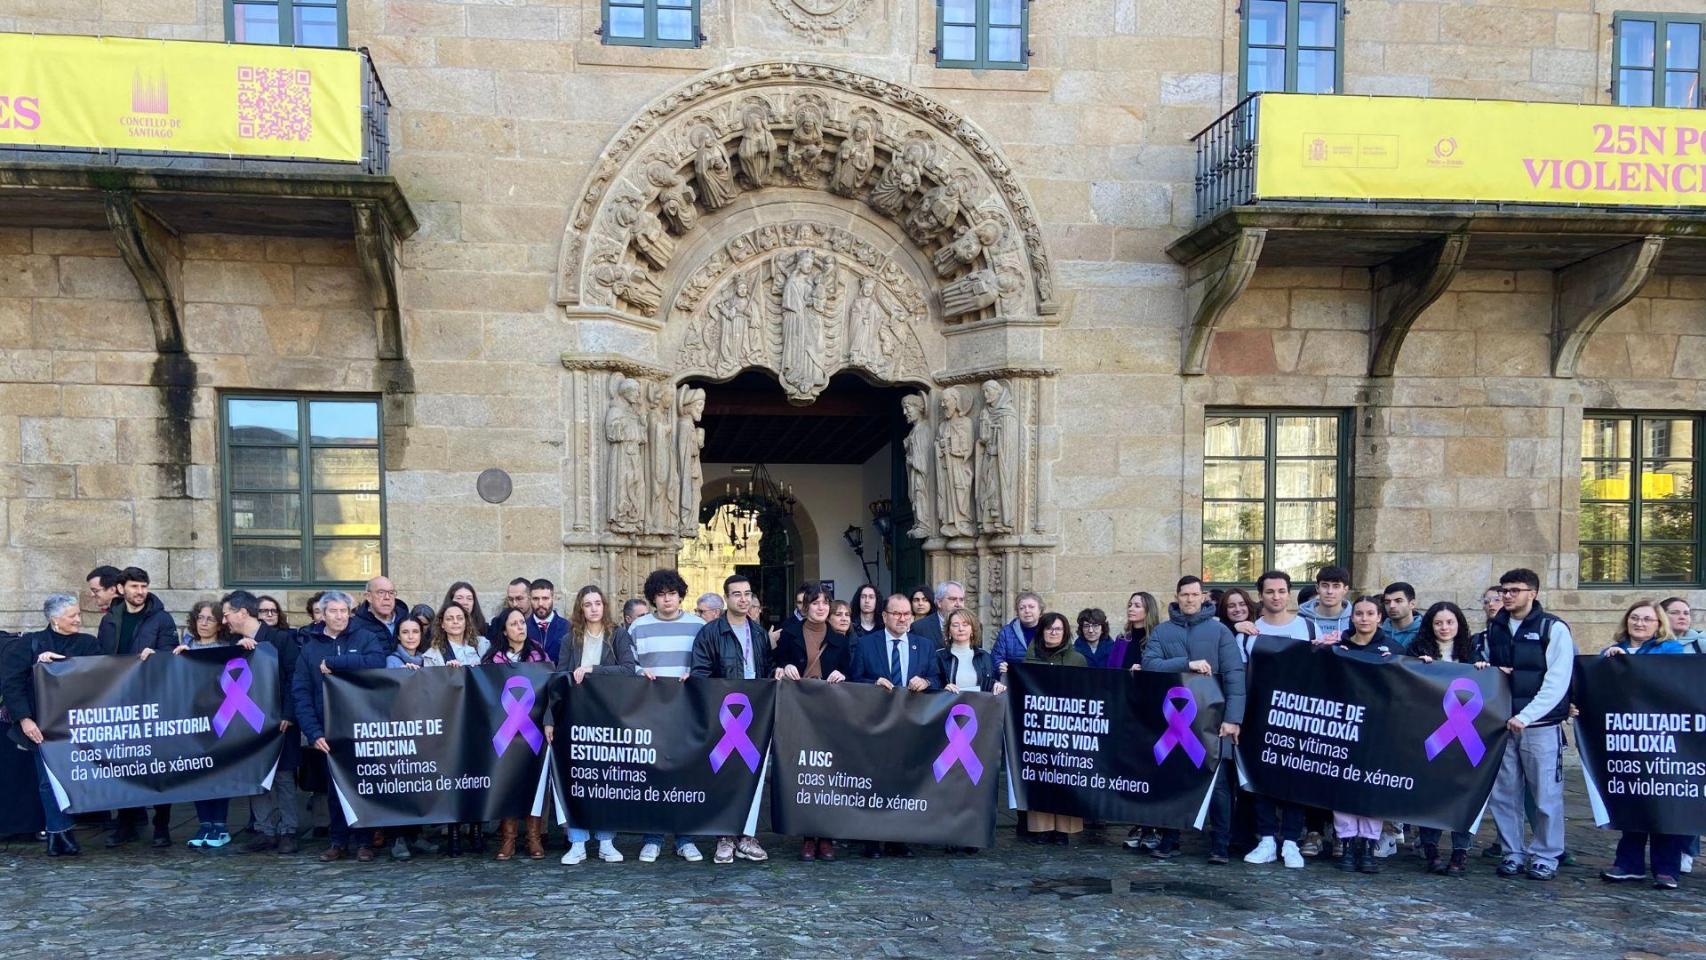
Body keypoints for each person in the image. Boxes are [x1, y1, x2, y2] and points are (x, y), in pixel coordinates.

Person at [1144, 576, 1243, 864]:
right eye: (1184, 594)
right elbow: (1151, 665)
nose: (1189, 599)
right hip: (1174, 723)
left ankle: (1220, 845)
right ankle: (1170, 839)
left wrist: (1233, 718)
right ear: (1177, 596)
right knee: (1173, 781)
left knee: (1220, 786)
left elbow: (1235, 676)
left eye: (1194, 594)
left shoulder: (1220, 632)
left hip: (1212, 720)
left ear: (1203, 597)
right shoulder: (1162, 632)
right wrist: (1186, 664)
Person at [1483, 567, 1574, 882]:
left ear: (1532, 593)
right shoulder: (1495, 627)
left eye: (1514, 590)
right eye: (1504, 590)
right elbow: (1496, 671)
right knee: (1504, 795)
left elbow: (1557, 680)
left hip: (1539, 726)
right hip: (1502, 724)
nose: (1507, 596)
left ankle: (1546, 855)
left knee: (1545, 794)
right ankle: (1513, 853)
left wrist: (1528, 715)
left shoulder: (1553, 628)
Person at [2, 594, 104, 856]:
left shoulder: (88, 644)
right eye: (73, 616)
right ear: (54, 619)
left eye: (78, 614)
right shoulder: (29, 644)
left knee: (75, 778)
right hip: (41, 723)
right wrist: (24, 719)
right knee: (48, 780)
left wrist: (62, 664)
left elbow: (101, 674)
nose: (79, 620)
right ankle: (58, 833)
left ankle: (60, 833)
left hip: (79, 723)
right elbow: (12, 684)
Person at [291, 590, 388, 863]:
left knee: (364, 785)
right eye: (333, 611)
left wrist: (335, 663)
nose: (339, 616)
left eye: (344, 611)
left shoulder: (365, 638)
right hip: (327, 730)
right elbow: (301, 693)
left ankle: (365, 841)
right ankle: (338, 841)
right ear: (322, 614)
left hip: (362, 725)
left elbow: (376, 663)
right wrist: (313, 733)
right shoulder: (310, 648)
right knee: (334, 790)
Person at [1599, 600, 1690, 889]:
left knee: (1666, 802)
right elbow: (1596, 685)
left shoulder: (1672, 652)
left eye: (1647, 619)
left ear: (1659, 624)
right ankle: (1629, 863)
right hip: (1630, 741)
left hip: (1665, 740)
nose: (1640, 623)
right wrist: (1608, 663)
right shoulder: (1612, 651)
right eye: (1634, 618)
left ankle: (1667, 867)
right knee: (1633, 800)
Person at [544, 585, 637, 866]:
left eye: (598, 603)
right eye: (588, 604)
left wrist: (593, 670)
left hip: (607, 717)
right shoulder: (570, 639)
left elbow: (628, 669)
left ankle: (606, 841)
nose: (594, 608)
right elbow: (559, 680)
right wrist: (550, 718)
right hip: (575, 717)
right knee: (577, 780)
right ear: (580, 609)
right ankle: (578, 841)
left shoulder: (617, 635)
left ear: (604, 606)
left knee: (606, 780)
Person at [690, 574, 773, 865]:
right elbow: (700, 673)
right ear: (727, 598)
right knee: (723, 775)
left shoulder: (759, 634)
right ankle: (724, 837)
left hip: (756, 714)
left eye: (747, 593)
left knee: (752, 776)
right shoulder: (711, 632)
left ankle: (747, 837)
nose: (743, 599)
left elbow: (765, 670)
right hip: (725, 715)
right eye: (736, 594)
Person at [848, 592, 936, 857]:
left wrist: (927, 682)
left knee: (904, 782)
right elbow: (854, 679)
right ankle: (872, 839)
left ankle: (899, 838)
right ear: (884, 616)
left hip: (911, 724)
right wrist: (872, 684)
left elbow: (935, 676)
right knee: (875, 781)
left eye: (907, 614)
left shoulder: (924, 645)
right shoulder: (866, 644)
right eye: (896, 613)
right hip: (876, 724)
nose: (902, 618)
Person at [628, 568, 706, 863]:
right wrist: (639, 671)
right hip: (651, 713)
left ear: (680, 595)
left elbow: (705, 664)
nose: (667, 600)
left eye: (671, 594)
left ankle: (685, 838)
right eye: (660, 595)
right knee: (653, 775)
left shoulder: (698, 626)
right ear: (652, 599)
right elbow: (628, 662)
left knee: (686, 775)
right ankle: (653, 837)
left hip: (686, 711)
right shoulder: (638, 627)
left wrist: (694, 673)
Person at [97, 566, 178, 848]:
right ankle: (127, 822)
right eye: (134, 587)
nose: (140, 592)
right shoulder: (109, 619)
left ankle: (161, 825)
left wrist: (157, 656)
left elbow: (172, 654)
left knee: (158, 764)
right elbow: (101, 657)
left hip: (153, 699)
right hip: (120, 701)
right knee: (124, 764)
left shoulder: (161, 618)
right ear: (121, 589)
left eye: (144, 586)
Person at [773, 581, 851, 861]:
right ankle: (808, 836)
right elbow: (775, 664)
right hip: (799, 710)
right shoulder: (789, 634)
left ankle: (826, 836)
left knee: (829, 773)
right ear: (805, 607)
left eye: (825, 603)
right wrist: (783, 667)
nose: (821, 607)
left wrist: (842, 675)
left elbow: (849, 672)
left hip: (829, 712)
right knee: (805, 772)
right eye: (815, 603)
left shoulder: (840, 639)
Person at [1407, 600, 1485, 877]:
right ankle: (1430, 847)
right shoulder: (1417, 651)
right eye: (1438, 622)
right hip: (1433, 733)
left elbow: (1489, 688)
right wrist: (1418, 667)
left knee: (1464, 791)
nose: (1444, 627)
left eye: (1449, 622)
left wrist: (1484, 671)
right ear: (1430, 625)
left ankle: (1460, 851)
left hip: (1466, 737)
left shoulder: (1473, 650)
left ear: (1459, 624)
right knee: (1432, 792)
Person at [223, 590, 303, 856]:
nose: (225, 621)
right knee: (256, 775)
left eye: (227, 614)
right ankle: (265, 831)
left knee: (283, 777)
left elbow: (294, 676)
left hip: (280, 720)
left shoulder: (281, 639)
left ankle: (288, 831)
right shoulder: (232, 642)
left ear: (243, 613)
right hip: (249, 723)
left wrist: (289, 715)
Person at [1244, 570, 1313, 869]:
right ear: (1260, 595)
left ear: (1289, 594)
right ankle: (1267, 839)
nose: (1276, 596)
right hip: (1259, 717)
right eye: (1270, 591)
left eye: (1281, 591)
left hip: (1298, 718)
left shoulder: (1308, 628)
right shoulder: (1247, 632)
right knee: (1261, 781)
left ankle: (1291, 842)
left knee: (1296, 781)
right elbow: (1241, 676)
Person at [176, 601, 259, 849]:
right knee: (197, 772)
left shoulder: (228, 647)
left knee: (218, 772)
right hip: (193, 719)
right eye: (200, 618)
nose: (203, 623)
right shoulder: (186, 647)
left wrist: (244, 647)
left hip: (223, 718)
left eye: (209, 619)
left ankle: (220, 826)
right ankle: (204, 824)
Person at [485, 607, 551, 862]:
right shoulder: (493, 659)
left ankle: (533, 837)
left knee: (533, 782)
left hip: (532, 730)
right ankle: (509, 838)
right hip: (506, 732)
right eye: (514, 624)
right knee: (507, 782)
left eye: (522, 623)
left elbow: (547, 689)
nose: (520, 627)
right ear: (504, 630)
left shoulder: (538, 655)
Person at [425, 599, 488, 856]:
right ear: (442, 622)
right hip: (447, 720)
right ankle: (452, 831)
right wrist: (445, 674)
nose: (455, 622)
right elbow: (427, 687)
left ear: (466, 621)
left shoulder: (481, 648)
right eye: (449, 618)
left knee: (477, 775)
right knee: (451, 776)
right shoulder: (433, 653)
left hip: (475, 719)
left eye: (459, 618)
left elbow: (490, 678)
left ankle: (476, 829)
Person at [379, 616, 443, 861]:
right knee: (400, 784)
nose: (410, 636)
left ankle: (416, 835)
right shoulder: (392, 660)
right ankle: (398, 838)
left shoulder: (426, 659)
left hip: (422, 729)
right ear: (398, 636)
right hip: (399, 730)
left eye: (415, 631)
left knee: (418, 785)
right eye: (405, 632)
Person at [1024, 612, 1088, 844]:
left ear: (1065, 633)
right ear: (1041, 631)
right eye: (1049, 628)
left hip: (1067, 727)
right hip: (1039, 727)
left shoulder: (1077, 659)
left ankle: (1063, 830)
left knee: (1066, 778)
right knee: (1040, 775)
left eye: (1058, 629)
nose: (1053, 632)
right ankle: (1041, 828)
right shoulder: (1029, 658)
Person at [993, 591, 1043, 677]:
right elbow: (996, 658)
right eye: (1022, 608)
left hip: (1042, 681)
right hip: (1014, 681)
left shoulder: (1049, 630)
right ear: (1017, 611)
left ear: (1040, 610)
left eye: (1031, 607)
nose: (1027, 611)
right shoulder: (1006, 632)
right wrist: (1001, 667)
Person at [1297, 566, 1352, 643]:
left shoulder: (1354, 619)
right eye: (1325, 586)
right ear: (1317, 588)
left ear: (1345, 590)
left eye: (1336, 586)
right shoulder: (1301, 618)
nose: (1330, 591)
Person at [352, 575, 408, 641]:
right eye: (381, 592)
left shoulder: (406, 618)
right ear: (368, 597)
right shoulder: (355, 626)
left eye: (391, 593)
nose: (387, 597)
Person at [527, 579, 570, 663]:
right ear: (530, 599)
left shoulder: (567, 627)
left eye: (545, 598)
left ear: (553, 598)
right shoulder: (523, 628)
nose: (540, 603)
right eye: (535, 599)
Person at [913, 580, 967, 646]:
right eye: (953, 599)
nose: (958, 604)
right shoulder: (919, 628)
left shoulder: (973, 626)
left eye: (961, 600)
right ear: (939, 603)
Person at [486, 577, 533, 646]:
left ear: (530, 597)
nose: (515, 604)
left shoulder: (540, 623)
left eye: (519, 598)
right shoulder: (497, 625)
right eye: (510, 599)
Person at [1216, 587, 1260, 659]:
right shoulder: (1217, 629)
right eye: (1231, 606)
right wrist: (1233, 627)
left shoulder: (1260, 623)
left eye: (1242, 604)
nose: (1238, 609)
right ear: (1224, 609)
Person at [1382, 582, 1422, 649]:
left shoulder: (1426, 632)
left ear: (1412, 604)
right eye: (1387, 602)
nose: (1391, 606)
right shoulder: (1377, 632)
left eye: (1398, 601)